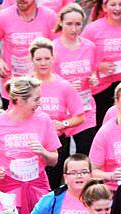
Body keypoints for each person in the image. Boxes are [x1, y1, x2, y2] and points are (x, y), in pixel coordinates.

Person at [0, 77, 60, 214]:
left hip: (37, 185)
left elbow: (54, 160)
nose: (39, 103)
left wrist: (43, 152)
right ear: (20, 100)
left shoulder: (44, 120)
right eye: (36, 99)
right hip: (9, 186)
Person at [29, 38, 85, 187]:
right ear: (32, 60)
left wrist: (63, 124)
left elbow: (80, 116)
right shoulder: (25, 84)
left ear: (53, 59)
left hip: (57, 143)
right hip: (31, 142)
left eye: (47, 58)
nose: (43, 63)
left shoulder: (63, 86)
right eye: (39, 59)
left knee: (53, 186)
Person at [0, 0, 56, 101]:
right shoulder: (3, 17)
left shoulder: (49, 16)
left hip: (41, 84)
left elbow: (58, 46)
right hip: (13, 84)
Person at [52, 5, 98, 154]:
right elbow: (45, 82)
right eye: (69, 24)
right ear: (61, 23)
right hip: (61, 112)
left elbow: (94, 71)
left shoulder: (90, 47)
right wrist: (66, 86)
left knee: (85, 156)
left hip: (85, 110)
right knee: (60, 160)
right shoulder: (53, 49)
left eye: (78, 24)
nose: (74, 29)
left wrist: (93, 79)